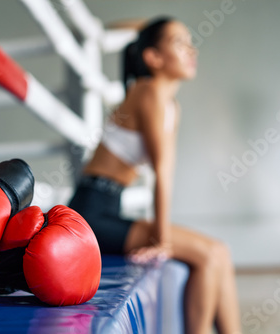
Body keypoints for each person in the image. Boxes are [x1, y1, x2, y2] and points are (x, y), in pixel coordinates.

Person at [68, 17, 242, 334]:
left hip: (109, 207)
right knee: (211, 254)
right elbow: (162, 172)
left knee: (219, 253)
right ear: (153, 58)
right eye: (179, 43)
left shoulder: (169, 104)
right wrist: (161, 241)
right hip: (89, 214)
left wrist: (161, 239)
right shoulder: (147, 92)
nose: (192, 50)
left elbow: (165, 169)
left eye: (191, 42)